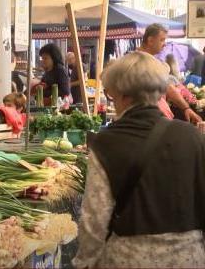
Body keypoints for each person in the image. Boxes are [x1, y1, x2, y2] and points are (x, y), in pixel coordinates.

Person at [73, 51, 205, 268]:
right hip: (188, 257)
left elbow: (94, 218)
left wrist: (85, 262)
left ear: (124, 95)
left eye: (112, 96)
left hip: (130, 258)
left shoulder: (106, 142)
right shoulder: (192, 136)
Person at [139, 23, 201, 123]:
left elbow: (168, 87)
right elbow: (168, 87)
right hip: (150, 120)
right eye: (162, 40)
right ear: (150, 40)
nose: (164, 44)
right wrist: (186, 108)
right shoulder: (139, 62)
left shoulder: (149, 61)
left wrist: (186, 108)